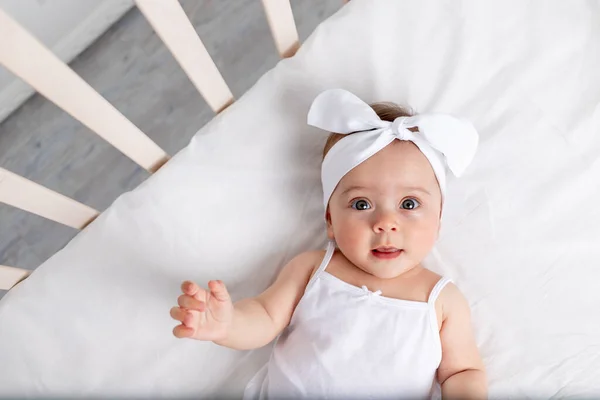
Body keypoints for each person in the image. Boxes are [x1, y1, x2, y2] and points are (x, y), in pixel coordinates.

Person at [170, 89, 487, 399]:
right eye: (361, 204)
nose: (386, 222)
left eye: (409, 204)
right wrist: (228, 324)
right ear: (331, 221)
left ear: (439, 218)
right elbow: (265, 316)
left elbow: (462, 372)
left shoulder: (442, 300)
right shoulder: (313, 269)